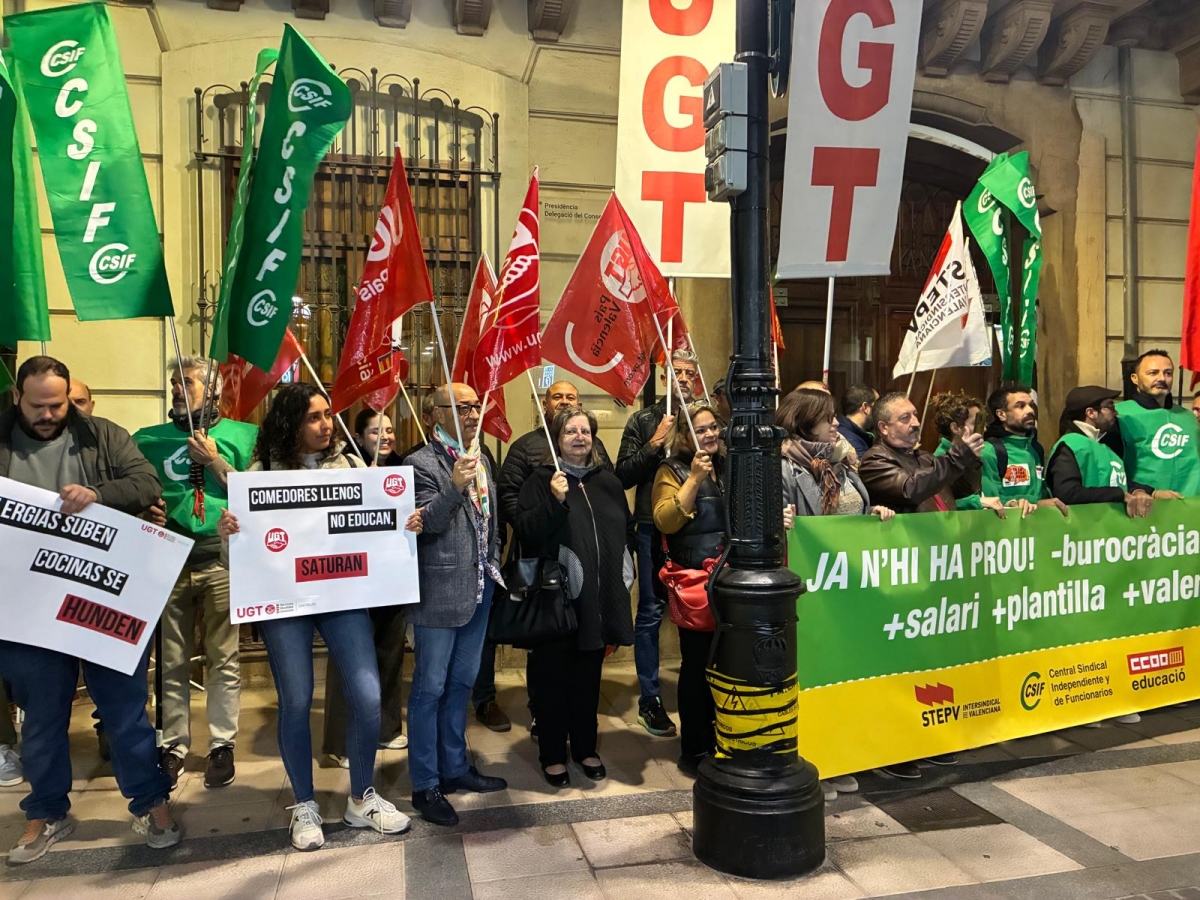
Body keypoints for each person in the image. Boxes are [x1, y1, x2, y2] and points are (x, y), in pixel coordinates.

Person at [0, 356, 179, 863]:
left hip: (101, 600)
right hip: (26, 608)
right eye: (38, 405)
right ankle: (46, 811)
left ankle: (150, 802)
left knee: (126, 713)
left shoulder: (102, 435)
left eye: (57, 403)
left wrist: (98, 494)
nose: (50, 413)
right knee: (41, 717)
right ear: (18, 398)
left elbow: (146, 485)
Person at [217, 383, 410, 851]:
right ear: (290, 424)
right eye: (313, 418)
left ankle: (362, 798)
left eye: (327, 415)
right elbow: (238, 558)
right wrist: (230, 536)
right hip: (287, 602)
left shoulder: (348, 465)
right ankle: (304, 804)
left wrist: (405, 522)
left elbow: (375, 525)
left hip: (342, 596)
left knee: (367, 698)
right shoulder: (260, 473)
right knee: (298, 700)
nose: (326, 425)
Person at [134, 358, 257, 790]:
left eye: (185, 382)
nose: (176, 390)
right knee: (171, 659)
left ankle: (222, 743)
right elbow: (135, 490)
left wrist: (216, 460)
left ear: (213, 390)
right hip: (168, 557)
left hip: (221, 558)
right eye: (173, 383)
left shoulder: (244, 436)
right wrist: (142, 508)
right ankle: (173, 745)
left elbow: (257, 495)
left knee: (224, 656)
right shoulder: (146, 440)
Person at [777, 389, 890, 798]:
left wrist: (874, 513)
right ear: (805, 421)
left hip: (846, 593)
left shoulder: (841, 465)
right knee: (810, 680)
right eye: (827, 418)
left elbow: (854, 510)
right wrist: (780, 521)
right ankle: (808, 762)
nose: (836, 424)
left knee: (841, 676)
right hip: (811, 594)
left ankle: (837, 755)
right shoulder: (784, 468)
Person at [406, 383, 508, 827]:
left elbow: (491, 520)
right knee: (429, 689)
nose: (473, 413)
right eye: (464, 407)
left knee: (461, 685)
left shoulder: (482, 458)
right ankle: (425, 783)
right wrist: (453, 485)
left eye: (475, 405)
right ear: (436, 415)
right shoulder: (419, 463)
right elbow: (424, 526)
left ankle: (455, 769)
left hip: (480, 588)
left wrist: (494, 559)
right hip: (439, 594)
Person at [515, 406, 634, 786]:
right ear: (557, 439)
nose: (579, 437)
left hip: (598, 599)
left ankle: (585, 747)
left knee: (588, 678)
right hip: (558, 600)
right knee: (553, 680)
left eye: (586, 431)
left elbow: (623, 532)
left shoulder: (608, 483)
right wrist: (553, 499)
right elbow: (527, 532)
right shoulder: (542, 479)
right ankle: (552, 752)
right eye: (570, 431)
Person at [487, 381, 614, 735]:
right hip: (543, 563)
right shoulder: (525, 447)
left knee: (583, 645)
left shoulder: (595, 447)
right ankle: (542, 712)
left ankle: (577, 718)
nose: (563, 402)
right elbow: (510, 498)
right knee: (547, 644)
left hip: (586, 567)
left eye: (570, 398)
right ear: (545, 404)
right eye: (556, 396)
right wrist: (542, 517)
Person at [1047, 386, 1163, 727]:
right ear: (1090, 413)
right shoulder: (1071, 446)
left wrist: (1146, 490)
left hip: (1110, 552)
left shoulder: (1104, 449)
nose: (1115, 411)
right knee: (1082, 628)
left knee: (1110, 626)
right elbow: (1067, 492)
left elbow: (1123, 483)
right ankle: (1083, 701)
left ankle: (1111, 696)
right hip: (1080, 550)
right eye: (1109, 406)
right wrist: (1119, 495)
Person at [652, 402, 745, 777]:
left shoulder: (727, 467)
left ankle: (725, 737)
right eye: (700, 430)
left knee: (728, 666)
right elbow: (665, 520)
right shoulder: (671, 469)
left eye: (712, 428)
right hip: (696, 582)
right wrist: (692, 479)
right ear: (685, 436)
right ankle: (693, 747)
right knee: (696, 667)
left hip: (729, 579)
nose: (709, 435)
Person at [616, 348, 701, 738]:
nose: (683, 378)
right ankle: (650, 700)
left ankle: (698, 690)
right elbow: (622, 476)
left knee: (699, 608)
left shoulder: (702, 419)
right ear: (665, 377)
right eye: (677, 372)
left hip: (698, 529)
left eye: (690, 372)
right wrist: (654, 444)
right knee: (651, 612)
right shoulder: (644, 419)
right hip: (651, 527)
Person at [323, 408, 408, 767]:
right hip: (350, 577)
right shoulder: (345, 467)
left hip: (392, 574)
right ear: (359, 438)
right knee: (349, 658)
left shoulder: (405, 467)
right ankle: (340, 742)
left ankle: (386, 730)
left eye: (389, 430)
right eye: (376, 432)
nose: (385, 437)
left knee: (390, 651)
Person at [859, 393, 984, 515]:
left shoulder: (925, 457)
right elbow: (910, 490)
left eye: (915, 415)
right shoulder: (874, 461)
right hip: (909, 534)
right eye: (905, 418)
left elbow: (962, 491)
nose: (916, 423)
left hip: (944, 532)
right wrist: (957, 458)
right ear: (884, 427)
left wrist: (970, 460)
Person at [1107, 349, 1199, 495]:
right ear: (1134, 378)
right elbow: (1107, 469)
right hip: (1141, 507)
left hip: (1190, 508)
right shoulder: (1118, 415)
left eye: (1168, 373)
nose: (1162, 378)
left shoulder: (1189, 418)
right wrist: (1146, 492)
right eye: (1153, 373)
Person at [929, 392, 999, 512]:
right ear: (955, 428)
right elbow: (939, 505)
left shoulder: (982, 453)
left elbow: (993, 493)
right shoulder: (939, 460)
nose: (984, 429)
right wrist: (977, 502)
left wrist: (1009, 503)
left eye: (982, 423)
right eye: (976, 423)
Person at [839, 384, 877, 456]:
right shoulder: (855, 444)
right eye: (877, 406)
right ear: (865, 407)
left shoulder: (843, 428)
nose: (879, 411)